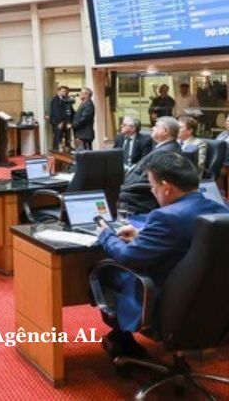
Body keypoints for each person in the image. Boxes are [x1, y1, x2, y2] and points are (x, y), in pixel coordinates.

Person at [94, 151, 229, 358]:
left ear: (166, 188)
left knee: (102, 272)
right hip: (215, 308)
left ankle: (121, 339)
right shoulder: (222, 212)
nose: (151, 190)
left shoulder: (165, 217)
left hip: (168, 305)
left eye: (152, 185)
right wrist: (142, 235)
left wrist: (106, 236)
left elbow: (128, 256)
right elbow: (191, 243)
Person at [118, 116, 181, 215]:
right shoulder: (167, 147)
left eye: (156, 126)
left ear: (165, 131)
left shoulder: (164, 152)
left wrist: (123, 187)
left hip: (143, 196)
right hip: (136, 186)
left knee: (113, 194)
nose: (152, 128)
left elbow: (149, 180)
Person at [47, 86, 74, 151]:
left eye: (66, 91)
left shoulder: (66, 99)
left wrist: (70, 121)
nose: (65, 93)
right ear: (58, 91)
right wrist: (60, 122)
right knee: (58, 136)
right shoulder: (55, 100)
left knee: (67, 136)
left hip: (65, 122)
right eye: (63, 91)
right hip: (57, 122)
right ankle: (56, 150)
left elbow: (70, 110)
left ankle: (67, 148)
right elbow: (55, 112)